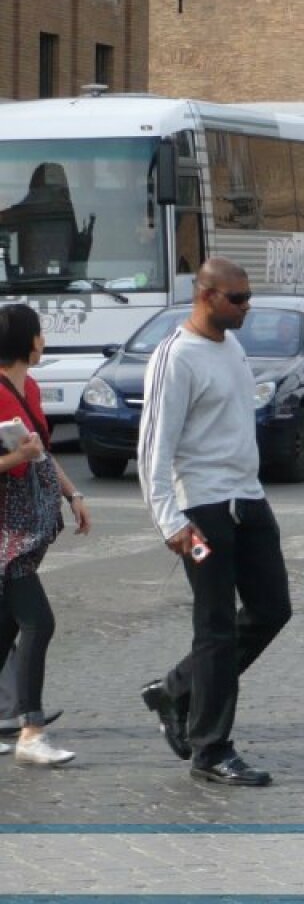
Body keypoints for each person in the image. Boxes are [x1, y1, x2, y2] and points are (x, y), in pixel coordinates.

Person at [137, 257, 292, 787]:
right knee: (216, 627)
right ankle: (211, 749)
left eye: (248, 297)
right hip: (200, 511)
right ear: (207, 297)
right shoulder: (174, 358)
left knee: (273, 608)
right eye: (237, 299)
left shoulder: (232, 348)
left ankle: (175, 689)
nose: (247, 307)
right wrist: (169, 520)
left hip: (247, 502)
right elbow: (152, 449)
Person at [0, 302, 89, 765]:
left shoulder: (27, 388)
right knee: (38, 621)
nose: (44, 342)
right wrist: (18, 457)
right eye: (40, 335)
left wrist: (73, 495)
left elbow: (43, 451)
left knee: (7, 625)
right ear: (28, 342)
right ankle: (31, 732)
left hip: (24, 530)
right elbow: (25, 455)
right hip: (5, 535)